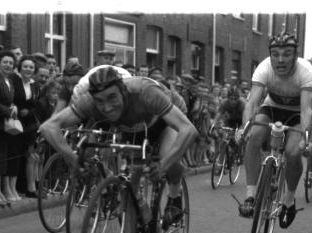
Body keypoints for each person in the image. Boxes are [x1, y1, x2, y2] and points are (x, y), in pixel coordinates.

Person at [40, 66, 198, 224]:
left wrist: (163, 165)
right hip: (134, 126)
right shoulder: (89, 101)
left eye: (112, 98)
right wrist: (72, 159)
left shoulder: (144, 92)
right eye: (100, 101)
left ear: (123, 91)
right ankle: (140, 226)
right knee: (131, 181)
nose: (107, 107)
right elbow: (48, 127)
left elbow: (188, 130)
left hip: (165, 120)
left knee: (167, 155)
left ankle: (174, 196)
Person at [236, 32, 312, 229]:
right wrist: (244, 127)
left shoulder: (306, 72)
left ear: (295, 56)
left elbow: (306, 110)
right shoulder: (264, 68)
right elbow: (253, 102)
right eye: (275, 54)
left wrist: (305, 138)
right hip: (272, 108)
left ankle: (289, 199)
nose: (280, 60)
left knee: (292, 152)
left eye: (287, 54)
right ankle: (251, 195)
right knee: (253, 137)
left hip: (297, 114)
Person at [0, 50, 19, 204]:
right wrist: (9, 110)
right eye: (5, 62)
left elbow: (8, 99)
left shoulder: (10, 80)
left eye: (11, 63)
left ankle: (0, 190)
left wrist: (13, 106)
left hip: (5, 125)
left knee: (3, 158)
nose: (8, 65)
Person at [10, 55, 41, 199]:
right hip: (15, 123)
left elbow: (36, 105)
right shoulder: (14, 80)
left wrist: (29, 111)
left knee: (30, 155)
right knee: (15, 155)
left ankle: (30, 187)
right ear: (20, 68)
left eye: (31, 67)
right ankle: (15, 187)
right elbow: (11, 99)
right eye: (25, 66)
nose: (28, 69)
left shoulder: (35, 85)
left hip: (29, 125)